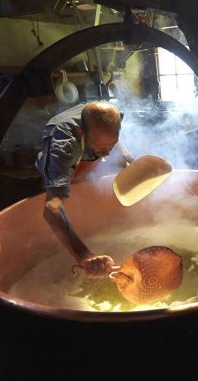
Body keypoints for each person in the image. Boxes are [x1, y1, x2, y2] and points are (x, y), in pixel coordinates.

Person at [35, 101, 133, 279]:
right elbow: (51, 208)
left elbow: (108, 139)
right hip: (63, 145)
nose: (107, 154)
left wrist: (127, 159)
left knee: (120, 157)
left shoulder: (116, 114)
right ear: (81, 132)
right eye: (101, 147)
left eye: (111, 143)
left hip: (90, 135)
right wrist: (84, 255)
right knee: (62, 180)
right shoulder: (64, 147)